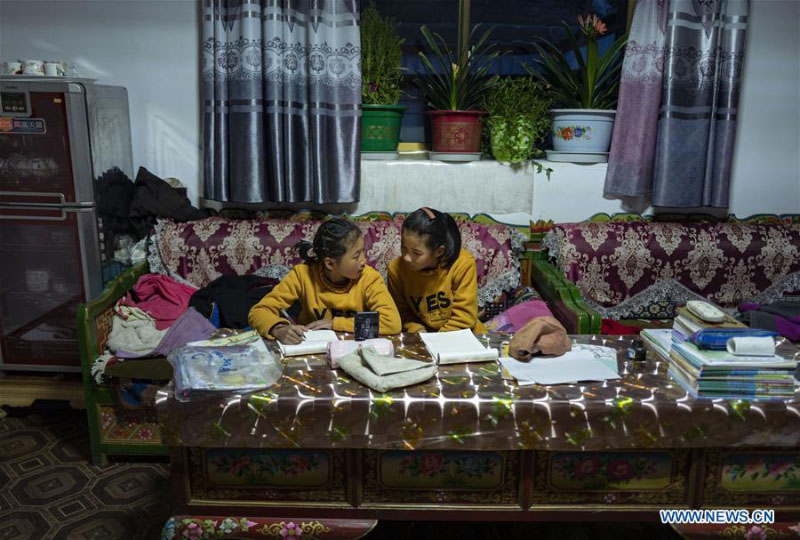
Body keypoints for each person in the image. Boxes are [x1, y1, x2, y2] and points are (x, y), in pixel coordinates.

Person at [248, 217, 401, 344]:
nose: (364, 260)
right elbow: (258, 311)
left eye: (363, 252)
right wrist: (278, 328)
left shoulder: (369, 278)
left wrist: (336, 323)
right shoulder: (303, 275)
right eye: (356, 256)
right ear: (330, 263)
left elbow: (392, 323)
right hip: (312, 351)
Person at [388, 207, 486, 333]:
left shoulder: (462, 264)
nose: (406, 257)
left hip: (464, 336)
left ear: (439, 251)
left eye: (416, 253)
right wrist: (417, 331)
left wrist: (437, 341)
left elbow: (464, 317)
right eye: (403, 247)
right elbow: (401, 312)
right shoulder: (396, 269)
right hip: (423, 339)